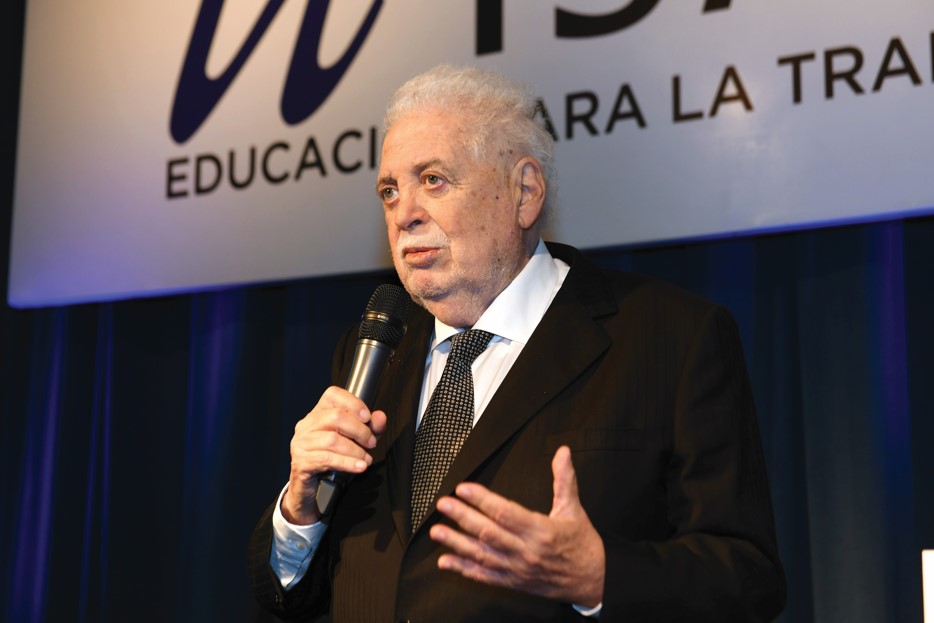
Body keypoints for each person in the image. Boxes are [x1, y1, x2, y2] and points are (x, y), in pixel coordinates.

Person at [247, 65, 786, 622]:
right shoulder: (373, 354)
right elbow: (294, 592)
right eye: (390, 191)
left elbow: (747, 578)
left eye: (433, 179)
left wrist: (599, 577)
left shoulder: (670, 337)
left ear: (524, 193)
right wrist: (302, 509)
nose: (404, 214)